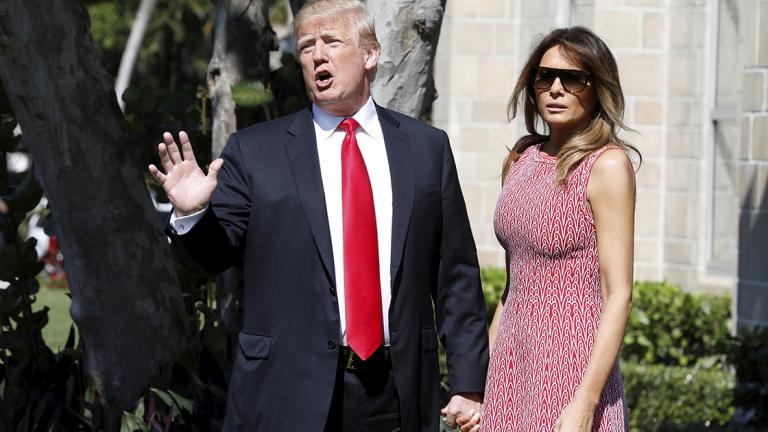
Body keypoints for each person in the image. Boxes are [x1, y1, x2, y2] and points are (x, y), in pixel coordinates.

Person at [148, 1, 489, 430]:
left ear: (370, 54)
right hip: (286, 391)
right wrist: (193, 213)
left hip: (395, 393)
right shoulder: (256, 151)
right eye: (306, 46)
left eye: (331, 41)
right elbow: (212, 258)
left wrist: (469, 383)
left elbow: (455, 274)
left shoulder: (426, 148)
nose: (317, 55)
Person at [466, 27, 639, 432]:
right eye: (544, 77)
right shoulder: (520, 159)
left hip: (571, 370)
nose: (556, 89)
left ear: (598, 88)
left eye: (573, 78)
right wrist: (480, 384)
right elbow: (513, 289)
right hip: (511, 368)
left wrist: (586, 401)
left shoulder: (607, 166)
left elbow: (620, 295)